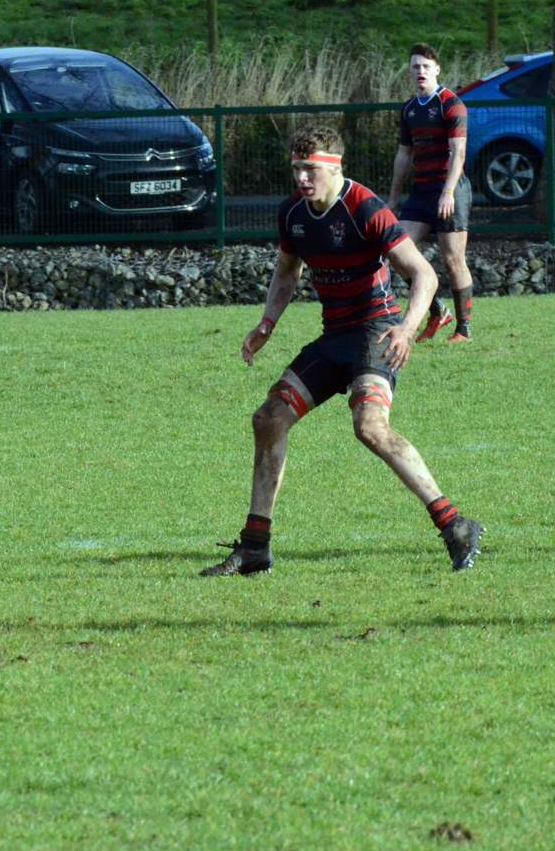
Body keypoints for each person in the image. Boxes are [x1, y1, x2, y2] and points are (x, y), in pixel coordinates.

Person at [203, 125, 483, 577]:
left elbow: (424, 275)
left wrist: (407, 329)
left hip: (376, 331)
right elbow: (287, 273)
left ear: (335, 168)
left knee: (370, 426)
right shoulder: (293, 213)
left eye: (310, 169)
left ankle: (455, 525)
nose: (301, 178)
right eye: (296, 168)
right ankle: (255, 547)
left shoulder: (365, 208)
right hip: (335, 337)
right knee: (268, 418)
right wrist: (266, 324)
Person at [389, 43, 475, 342]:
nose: (421, 71)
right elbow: (404, 155)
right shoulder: (409, 109)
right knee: (395, 250)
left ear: (437, 69)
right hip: (422, 191)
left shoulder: (451, 104)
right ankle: (437, 309)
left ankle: (464, 329)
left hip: (451, 190)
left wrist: (448, 192)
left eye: (426, 66)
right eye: (415, 66)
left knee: (453, 259)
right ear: (410, 72)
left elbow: (458, 152)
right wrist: (392, 199)